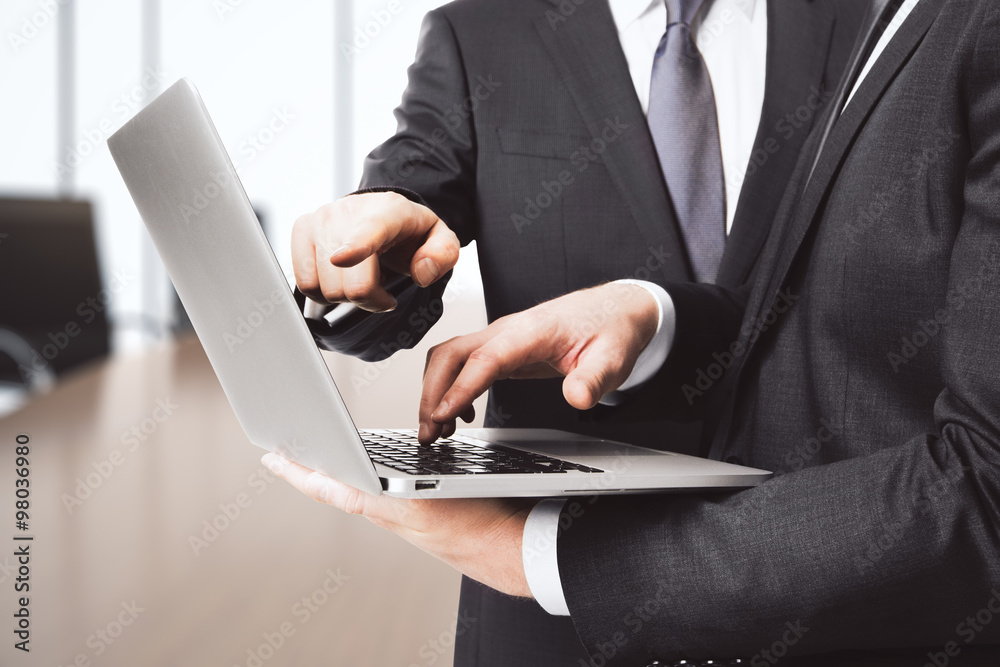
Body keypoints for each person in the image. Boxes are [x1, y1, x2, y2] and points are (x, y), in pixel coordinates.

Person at [268, 0, 1000, 664]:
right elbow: (407, 201)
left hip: (819, 595)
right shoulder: (483, 30)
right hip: (554, 616)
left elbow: (838, 301)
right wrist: (357, 257)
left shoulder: (851, 20)